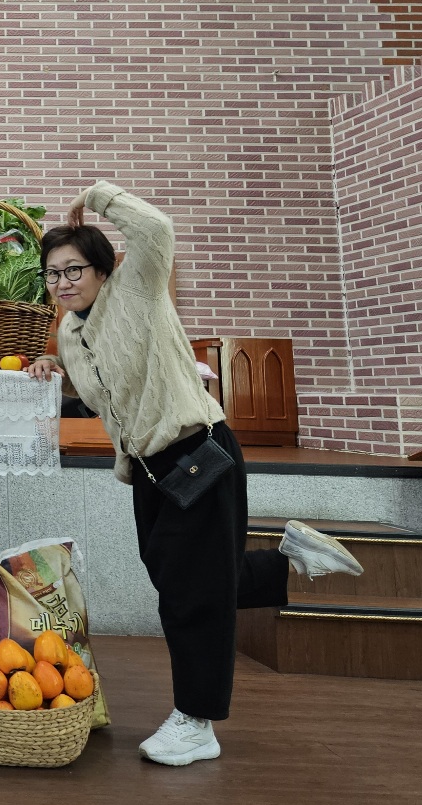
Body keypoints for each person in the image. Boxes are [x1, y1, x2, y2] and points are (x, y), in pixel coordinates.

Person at [26, 181, 364, 766]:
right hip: (147, 470)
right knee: (178, 576)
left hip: (196, 451)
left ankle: (196, 720)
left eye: (73, 269)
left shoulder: (136, 287)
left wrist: (97, 196)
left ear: (103, 270)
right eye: (52, 274)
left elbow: (156, 229)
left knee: (190, 595)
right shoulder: (71, 332)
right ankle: (289, 559)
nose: (63, 282)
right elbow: (98, 388)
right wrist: (52, 363)